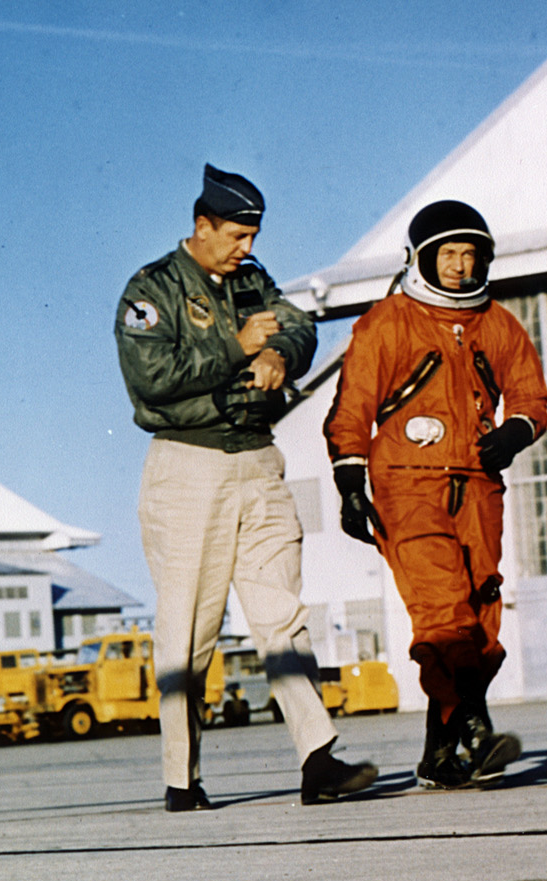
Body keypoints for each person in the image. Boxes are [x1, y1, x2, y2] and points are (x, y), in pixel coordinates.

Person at [116, 164, 377, 812]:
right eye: (235, 235)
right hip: (189, 466)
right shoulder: (151, 289)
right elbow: (152, 378)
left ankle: (318, 756)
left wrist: (278, 355)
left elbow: (296, 322)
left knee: (280, 611)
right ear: (201, 226)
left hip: (256, 461)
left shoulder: (253, 282)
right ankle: (182, 777)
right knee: (188, 627)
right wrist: (237, 346)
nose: (247, 249)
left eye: (253, 235)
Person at [327, 200, 547, 789]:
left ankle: (440, 758)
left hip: (477, 484)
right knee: (443, 613)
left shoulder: (496, 323)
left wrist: (515, 431)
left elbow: (530, 394)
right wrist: (350, 483)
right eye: (448, 254)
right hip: (407, 480)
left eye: (470, 255)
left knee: (478, 619)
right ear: (421, 257)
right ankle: (476, 729)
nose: (459, 267)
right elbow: (352, 409)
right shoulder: (388, 322)